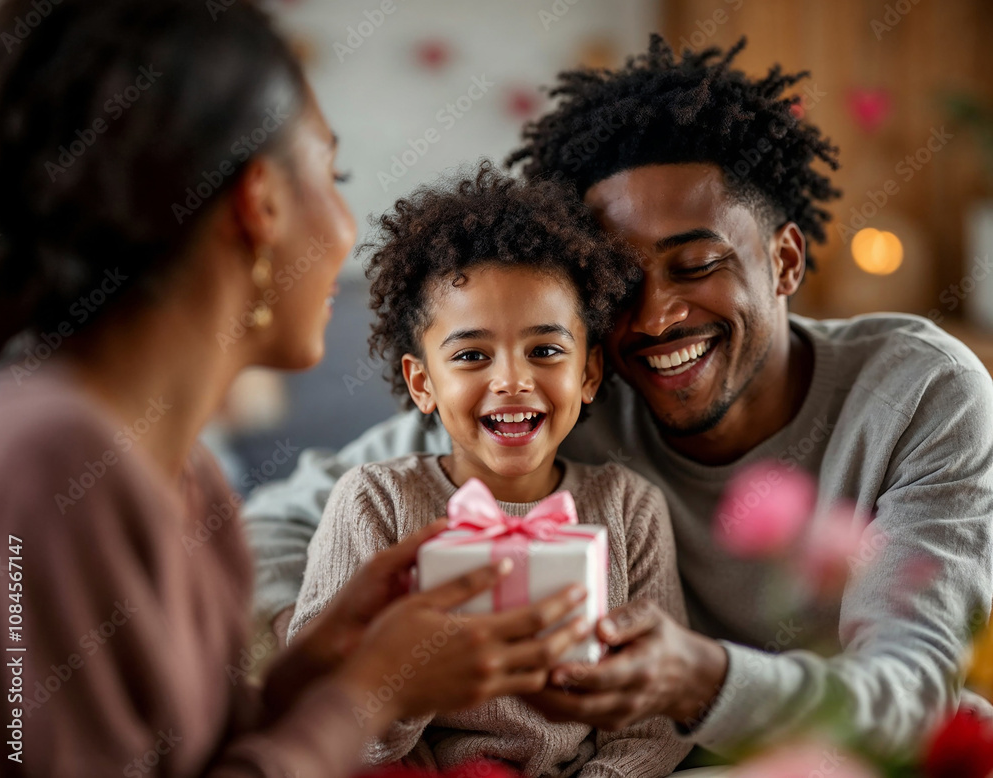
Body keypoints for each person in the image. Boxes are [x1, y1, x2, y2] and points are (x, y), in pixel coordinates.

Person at [244, 36, 993, 758]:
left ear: (785, 259)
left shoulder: (920, 392)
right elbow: (276, 521)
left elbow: (912, 690)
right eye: (620, 281)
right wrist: (325, 661)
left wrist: (700, 680)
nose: (657, 315)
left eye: (696, 264)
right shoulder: (558, 400)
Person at [0, 1, 590, 775]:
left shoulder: (191, 479)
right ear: (262, 203)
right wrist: (371, 695)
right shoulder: (52, 461)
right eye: (332, 176)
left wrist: (312, 677)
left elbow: (185, 752)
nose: (349, 228)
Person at [289, 164, 692, 777]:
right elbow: (313, 714)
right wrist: (407, 685)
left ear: (587, 375)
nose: (510, 380)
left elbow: (657, 720)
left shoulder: (630, 508)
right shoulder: (375, 501)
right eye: (472, 355)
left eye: (546, 351)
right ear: (422, 382)